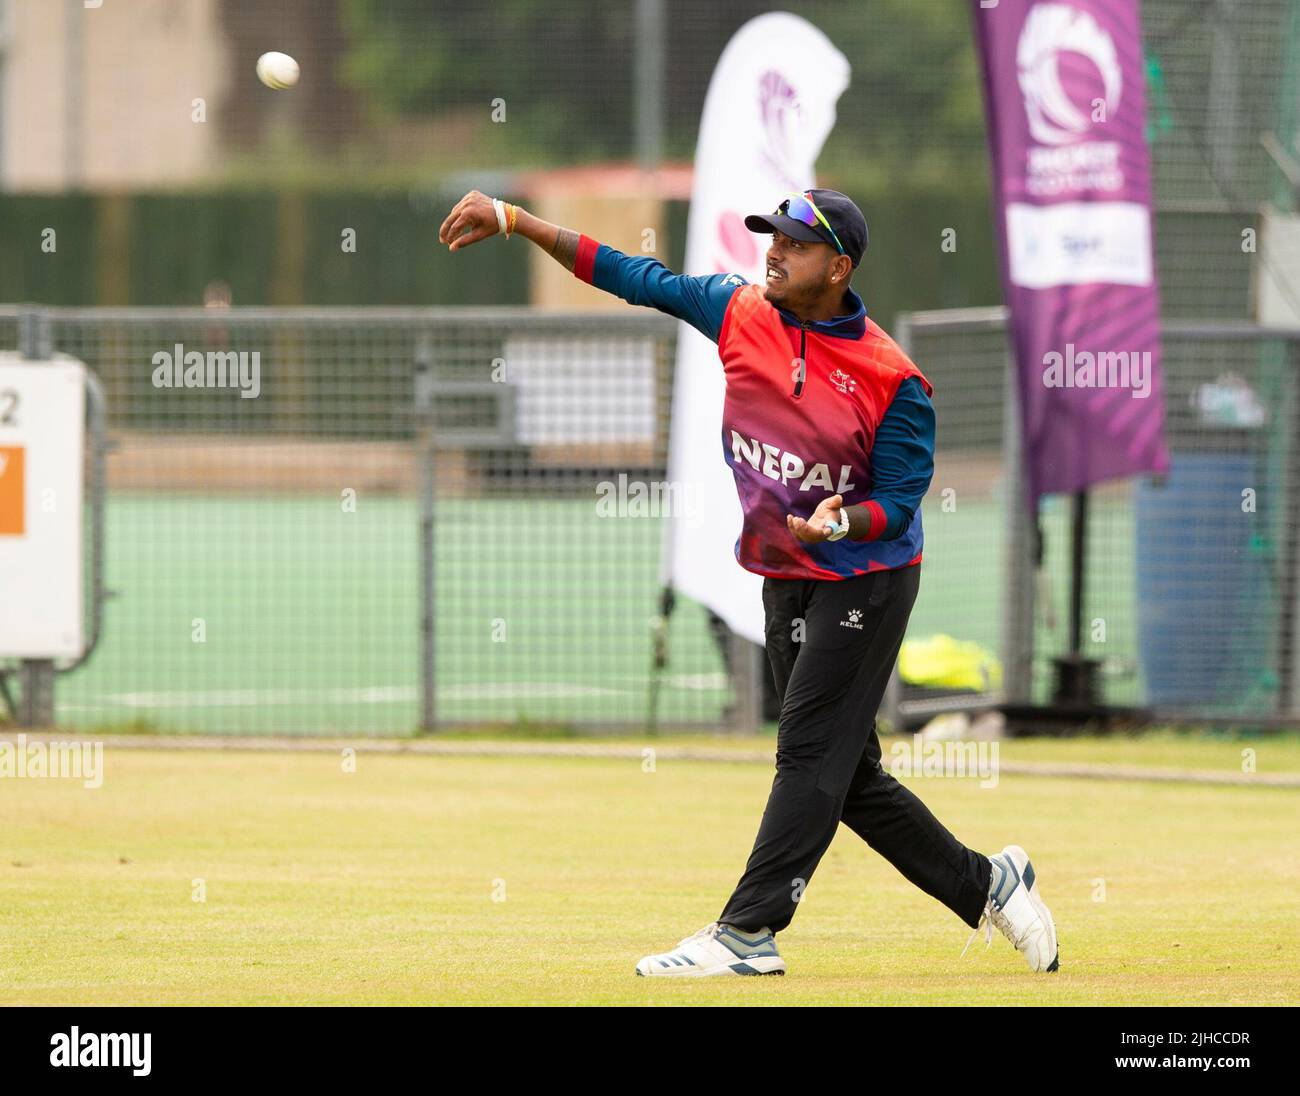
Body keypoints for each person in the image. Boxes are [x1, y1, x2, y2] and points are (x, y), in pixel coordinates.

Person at [438, 188, 1058, 978]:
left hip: (865, 579)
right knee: (849, 777)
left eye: (794, 246)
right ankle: (991, 883)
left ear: (838, 267)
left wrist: (846, 520)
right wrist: (516, 219)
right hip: (784, 571)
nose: (773, 252)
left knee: (805, 753)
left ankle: (748, 931)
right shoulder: (739, 312)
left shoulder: (891, 378)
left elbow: (899, 501)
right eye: (772, 239)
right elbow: (634, 276)